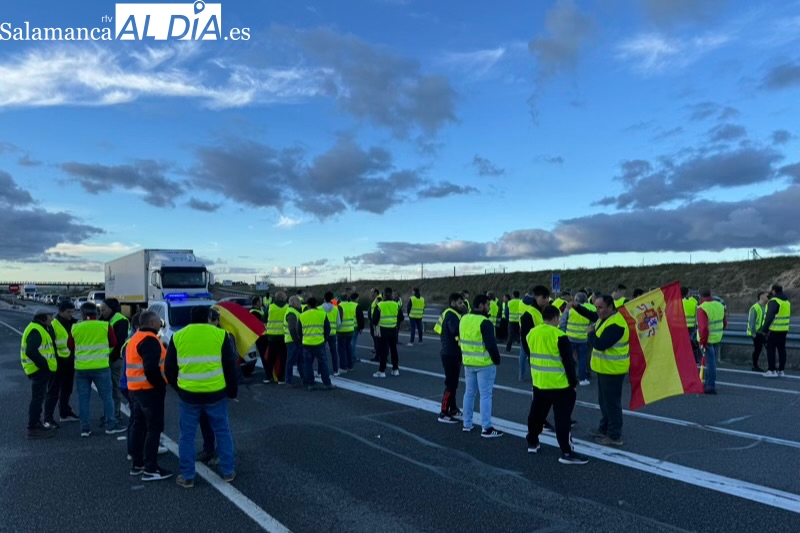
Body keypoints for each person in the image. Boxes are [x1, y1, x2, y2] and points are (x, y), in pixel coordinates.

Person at [165, 306, 239, 488]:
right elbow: (230, 366)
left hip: (189, 395)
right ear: (208, 317)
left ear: (190, 317)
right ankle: (228, 471)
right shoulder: (220, 335)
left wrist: (180, 388)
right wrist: (232, 391)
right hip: (216, 393)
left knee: (187, 435)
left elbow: (169, 369)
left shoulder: (178, 336)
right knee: (222, 431)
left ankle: (187, 475)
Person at [525, 305, 587, 465]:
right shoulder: (559, 335)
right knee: (562, 419)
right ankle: (566, 451)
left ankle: (532, 442)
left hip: (539, 383)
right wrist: (573, 383)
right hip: (560, 386)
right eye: (558, 318)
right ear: (554, 318)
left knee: (536, 415)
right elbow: (568, 363)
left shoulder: (532, 333)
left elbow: (528, 351)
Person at [576, 295, 629, 446]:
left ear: (611, 307)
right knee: (604, 402)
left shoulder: (617, 324)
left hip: (613, 370)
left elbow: (600, 344)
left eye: (600, 307)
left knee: (611, 404)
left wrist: (590, 333)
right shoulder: (604, 318)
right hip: (604, 369)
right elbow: (591, 314)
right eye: (596, 307)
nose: (597, 311)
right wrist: (576, 306)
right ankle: (604, 428)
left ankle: (614, 435)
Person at [126, 310, 171, 481]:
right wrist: (161, 385)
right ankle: (151, 468)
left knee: (139, 426)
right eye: (158, 321)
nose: (160, 324)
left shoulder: (135, 338)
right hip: (148, 390)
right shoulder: (150, 340)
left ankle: (138, 464)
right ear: (152, 322)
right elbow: (151, 368)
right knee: (154, 428)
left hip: (135, 389)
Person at [70, 302, 126, 437]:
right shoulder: (105, 326)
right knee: (107, 397)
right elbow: (113, 342)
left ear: (82, 314)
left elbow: (70, 346)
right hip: (101, 366)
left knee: (83, 399)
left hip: (82, 368)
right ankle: (111, 426)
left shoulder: (75, 328)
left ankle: (85, 429)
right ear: (96, 313)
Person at [460, 295, 503, 438]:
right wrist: (497, 360)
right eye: (487, 304)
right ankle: (486, 427)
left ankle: (467, 424)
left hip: (468, 362)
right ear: (480, 305)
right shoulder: (485, 322)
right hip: (484, 364)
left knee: (469, 393)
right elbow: (491, 344)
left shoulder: (464, 319)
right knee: (485, 395)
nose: (489, 307)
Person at [21, 308, 58, 439]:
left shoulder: (39, 328)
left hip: (39, 370)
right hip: (38, 370)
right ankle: (33, 427)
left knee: (39, 397)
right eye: (50, 316)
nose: (52, 319)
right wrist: (45, 366)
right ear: (43, 318)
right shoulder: (36, 330)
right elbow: (31, 350)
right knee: (37, 398)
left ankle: (36, 423)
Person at [44, 300, 79, 425]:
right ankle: (48, 418)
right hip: (58, 363)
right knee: (53, 391)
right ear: (61, 311)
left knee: (67, 389)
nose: (71, 314)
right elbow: (50, 345)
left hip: (70, 362)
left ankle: (65, 412)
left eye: (72, 311)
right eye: (68, 312)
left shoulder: (73, 323)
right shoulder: (53, 325)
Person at [435, 293, 464, 423]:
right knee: (451, 384)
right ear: (453, 303)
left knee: (454, 383)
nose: (462, 305)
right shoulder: (452, 315)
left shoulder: (449, 313)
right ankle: (444, 412)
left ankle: (452, 408)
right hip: (450, 354)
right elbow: (455, 331)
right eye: (459, 302)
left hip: (452, 353)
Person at [99, 298, 130, 421]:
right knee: (107, 388)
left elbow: (119, 343)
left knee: (115, 387)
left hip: (115, 359)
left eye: (104, 309)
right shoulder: (103, 320)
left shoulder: (120, 320)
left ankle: (115, 413)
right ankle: (110, 412)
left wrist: (111, 357)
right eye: (101, 310)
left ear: (112, 309)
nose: (102, 312)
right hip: (104, 359)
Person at [299, 297, 334, 390]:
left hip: (306, 344)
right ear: (316, 304)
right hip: (319, 343)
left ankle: (311, 384)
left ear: (308, 305)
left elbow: (299, 331)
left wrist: (302, 340)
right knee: (323, 363)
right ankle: (327, 383)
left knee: (308, 365)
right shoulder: (322, 314)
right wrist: (325, 339)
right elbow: (328, 328)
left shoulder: (302, 316)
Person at [697, 288, 727, 394]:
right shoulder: (720, 305)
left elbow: (703, 328)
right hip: (717, 337)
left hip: (707, 340)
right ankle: (708, 383)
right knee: (712, 361)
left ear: (700, 296)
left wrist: (703, 341)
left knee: (710, 363)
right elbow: (725, 323)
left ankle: (710, 385)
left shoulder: (702, 308)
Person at [519, 286, 551, 382]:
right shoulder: (529, 315)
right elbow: (525, 340)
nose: (547, 300)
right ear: (536, 297)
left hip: (548, 354)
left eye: (548, 297)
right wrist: (531, 355)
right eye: (544, 297)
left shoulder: (545, 312)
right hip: (537, 356)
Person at [561, 292, 593, 386]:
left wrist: (562, 333)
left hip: (570, 337)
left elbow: (563, 321)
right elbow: (592, 323)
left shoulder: (570, 308)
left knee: (568, 358)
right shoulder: (589, 308)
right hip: (583, 338)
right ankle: (582, 379)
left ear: (576, 300)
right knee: (582, 359)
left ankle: (567, 377)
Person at [761, 284, 791, 378]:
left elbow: (770, 317)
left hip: (774, 330)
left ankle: (772, 370)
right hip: (784, 329)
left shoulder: (774, 301)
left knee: (771, 350)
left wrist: (764, 330)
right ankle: (781, 370)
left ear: (774, 291)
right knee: (782, 350)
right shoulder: (786, 301)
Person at [372, 287, 403, 378]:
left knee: (383, 350)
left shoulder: (380, 305)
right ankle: (395, 369)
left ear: (384, 294)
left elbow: (374, 319)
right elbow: (401, 317)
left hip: (383, 330)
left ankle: (382, 370)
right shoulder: (396, 305)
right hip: (393, 330)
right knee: (393, 349)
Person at [264, 291, 289, 383]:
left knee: (270, 358)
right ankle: (281, 378)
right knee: (283, 358)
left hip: (271, 337)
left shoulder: (270, 307)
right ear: (282, 298)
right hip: (283, 336)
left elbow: (264, 318)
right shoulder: (288, 307)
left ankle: (268, 376)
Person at [283, 296, 304, 386]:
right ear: (294, 303)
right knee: (291, 361)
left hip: (293, 340)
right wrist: (298, 341)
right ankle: (288, 380)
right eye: (299, 302)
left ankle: (304, 379)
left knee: (300, 361)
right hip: (293, 341)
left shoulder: (294, 312)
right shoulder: (292, 313)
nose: (300, 304)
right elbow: (292, 329)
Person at [322, 292, 343, 375]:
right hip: (333, 333)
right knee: (334, 352)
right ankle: (336, 370)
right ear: (332, 299)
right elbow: (338, 323)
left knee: (322, 353)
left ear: (324, 299)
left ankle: (321, 371)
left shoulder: (320, 308)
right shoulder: (335, 308)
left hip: (322, 333)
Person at [747, 291, 768, 372]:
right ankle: (755, 365)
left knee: (768, 348)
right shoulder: (755, 307)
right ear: (762, 297)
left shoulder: (767, 306)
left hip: (764, 332)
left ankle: (771, 366)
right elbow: (751, 321)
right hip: (757, 333)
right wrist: (753, 334)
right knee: (758, 349)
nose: (768, 297)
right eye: (767, 296)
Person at [338, 294, 358, 372]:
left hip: (342, 330)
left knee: (342, 349)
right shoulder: (352, 305)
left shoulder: (340, 306)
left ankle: (343, 367)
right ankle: (350, 366)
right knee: (348, 348)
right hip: (351, 329)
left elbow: (339, 318)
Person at [682, 286, 699, 363]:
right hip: (691, 327)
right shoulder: (693, 302)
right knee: (692, 344)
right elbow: (698, 316)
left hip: (679, 327)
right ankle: (694, 360)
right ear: (686, 294)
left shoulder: (674, 303)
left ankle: (683, 360)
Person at [351, 292, 365, 364]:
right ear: (356, 298)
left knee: (347, 343)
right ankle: (352, 357)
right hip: (354, 326)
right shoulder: (357, 306)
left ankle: (347, 356)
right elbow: (360, 318)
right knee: (353, 342)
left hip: (346, 326)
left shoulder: (347, 305)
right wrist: (361, 328)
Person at [369, 288, 382, 360]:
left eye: (372, 292)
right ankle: (377, 352)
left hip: (377, 322)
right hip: (375, 321)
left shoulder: (378, 299)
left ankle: (378, 355)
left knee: (377, 338)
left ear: (376, 293)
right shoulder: (376, 298)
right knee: (376, 338)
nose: (371, 293)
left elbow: (379, 309)